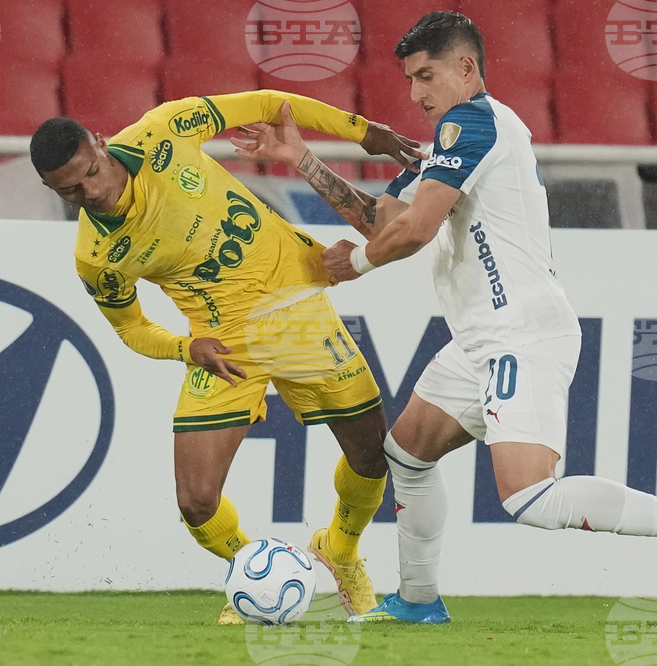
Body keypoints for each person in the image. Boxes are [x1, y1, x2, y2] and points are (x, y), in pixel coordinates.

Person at [233, 11, 657, 623]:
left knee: (527, 496)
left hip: (522, 333)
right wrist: (300, 158)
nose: (416, 94)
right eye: (410, 80)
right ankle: (419, 601)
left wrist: (357, 266)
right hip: (480, 340)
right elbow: (382, 219)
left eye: (427, 76)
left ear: (466, 69)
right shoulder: (450, 141)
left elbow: (413, 234)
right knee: (408, 453)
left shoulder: (475, 124)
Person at [30, 91, 425, 624]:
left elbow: (269, 103)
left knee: (372, 456)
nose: (91, 192)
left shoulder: (162, 130)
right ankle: (253, 572)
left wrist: (365, 132)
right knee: (195, 502)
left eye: (91, 172)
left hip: (297, 304)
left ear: (100, 143)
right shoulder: (96, 257)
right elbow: (130, 329)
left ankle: (340, 550)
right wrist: (184, 348)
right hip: (224, 344)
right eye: (70, 191)